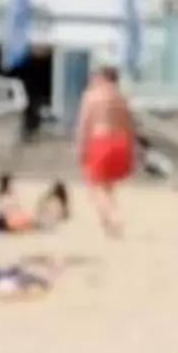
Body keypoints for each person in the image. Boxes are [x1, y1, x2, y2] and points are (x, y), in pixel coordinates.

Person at [74, 67, 136, 236]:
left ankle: (113, 217)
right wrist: (132, 150)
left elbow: (84, 124)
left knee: (95, 186)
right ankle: (107, 222)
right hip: (120, 142)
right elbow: (130, 126)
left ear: (102, 78)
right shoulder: (121, 97)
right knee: (108, 186)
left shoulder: (92, 96)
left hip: (100, 140)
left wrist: (80, 148)